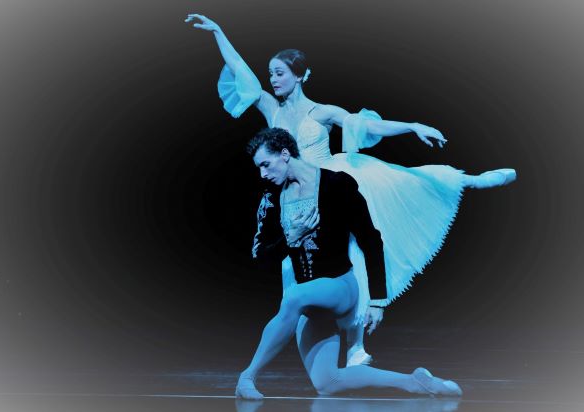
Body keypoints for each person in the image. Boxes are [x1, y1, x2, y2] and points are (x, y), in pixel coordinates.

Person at [185, 13, 517, 366]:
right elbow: (241, 72)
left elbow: (367, 124)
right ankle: (302, 332)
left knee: (383, 209)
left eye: (279, 73)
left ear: (299, 74)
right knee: (292, 259)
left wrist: (412, 125)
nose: (273, 79)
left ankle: (469, 180)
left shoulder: (321, 112)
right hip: (297, 193)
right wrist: (219, 32)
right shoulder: (270, 108)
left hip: (331, 184)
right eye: (271, 74)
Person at [238, 127, 462, 399]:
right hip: (308, 301)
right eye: (259, 168)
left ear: (284, 154)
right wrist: (291, 238)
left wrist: (378, 299)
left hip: (340, 288)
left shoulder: (337, 184)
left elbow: (371, 240)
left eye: (266, 164)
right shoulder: (272, 198)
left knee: (294, 296)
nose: (263, 173)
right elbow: (261, 257)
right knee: (328, 382)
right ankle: (416, 382)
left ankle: (247, 376)